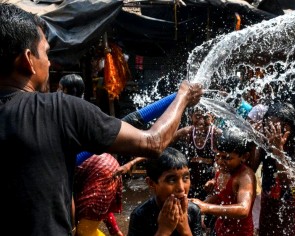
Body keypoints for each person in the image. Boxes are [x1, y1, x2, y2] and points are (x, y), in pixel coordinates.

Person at [0, 4, 203, 235]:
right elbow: (153, 142)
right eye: (46, 53)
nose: (48, 62)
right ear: (28, 59)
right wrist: (184, 96)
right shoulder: (59, 110)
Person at [58, 74, 144, 236]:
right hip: (106, 166)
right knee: (91, 214)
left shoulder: (63, 114)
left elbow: (68, 197)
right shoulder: (86, 109)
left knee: (83, 232)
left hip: (95, 169)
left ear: (64, 89)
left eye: (59, 88)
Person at [249, 102, 295, 236]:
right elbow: (251, 169)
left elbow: (290, 180)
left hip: (292, 203)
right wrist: (255, 141)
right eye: (268, 126)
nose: (271, 130)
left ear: (288, 128)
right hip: (269, 201)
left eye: (274, 126)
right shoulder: (265, 143)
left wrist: (278, 150)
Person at [190, 128, 256, 236]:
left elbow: (243, 209)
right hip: (221, 227)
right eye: (218, 156)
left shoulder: (245, 177)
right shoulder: (224, 170)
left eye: (227, 158)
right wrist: (198, 205)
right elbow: (221, 196)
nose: (220, 161)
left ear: (244, 157)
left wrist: (207, 207)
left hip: (239, 232)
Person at [127, 147, 203, 236]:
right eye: (172, 180)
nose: (181, 188)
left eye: (185, 178)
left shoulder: (193, 211)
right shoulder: (140, 215)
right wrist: (164, 231)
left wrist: (185, 229)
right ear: (151, 183)